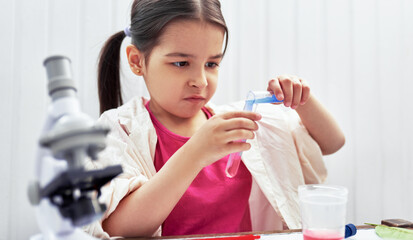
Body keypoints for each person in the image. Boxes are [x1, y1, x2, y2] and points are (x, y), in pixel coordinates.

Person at [84, 0, 345, 238]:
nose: (200, 81)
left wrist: (304, 101)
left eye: (211, 64)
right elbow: (118, 228)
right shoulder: (118, 131)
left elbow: (332, 143)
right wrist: (196, 152)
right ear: (136, 61)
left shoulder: (241, 125)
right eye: (181, 63)